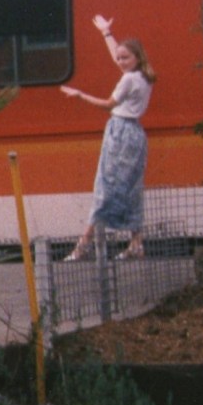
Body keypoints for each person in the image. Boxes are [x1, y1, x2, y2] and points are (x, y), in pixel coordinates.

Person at [60, 14, 156, 261]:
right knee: (130, 187)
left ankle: (84, 244)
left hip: (120, 132)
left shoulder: (128, 79)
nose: (121, 61)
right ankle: (136, 243)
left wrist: (79, 94)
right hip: (135, 133)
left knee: (106, 186)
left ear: (137, 57)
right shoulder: (143, 76)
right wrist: (106, 33)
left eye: (126, 58)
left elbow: (108, 104)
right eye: (120, 58)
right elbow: (118, 55)